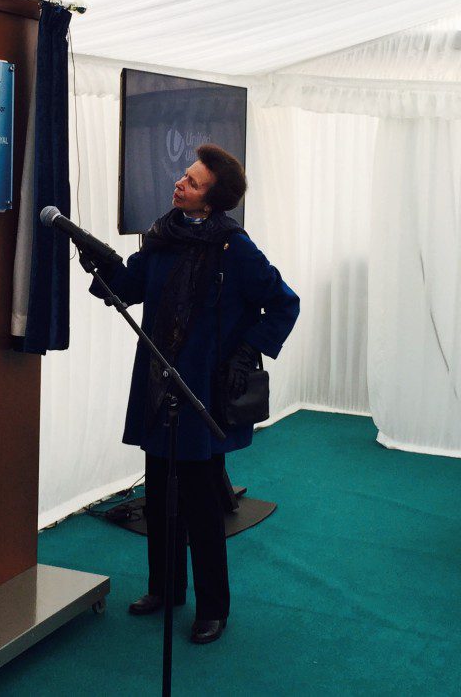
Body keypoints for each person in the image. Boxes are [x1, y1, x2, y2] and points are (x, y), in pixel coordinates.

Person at [88, 144, 299, 645]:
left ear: (212, 200)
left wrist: (247, 353)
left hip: (201, 392)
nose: (180, 183)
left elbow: (283, 304)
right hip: (160, 387)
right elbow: (126, 287)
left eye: (193, 182)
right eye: (184, 175)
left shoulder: (235, 248)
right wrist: (96, 262)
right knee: (159, 495)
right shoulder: (162, 237)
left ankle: (213, 607)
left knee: (203, 506)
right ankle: (165, 589)